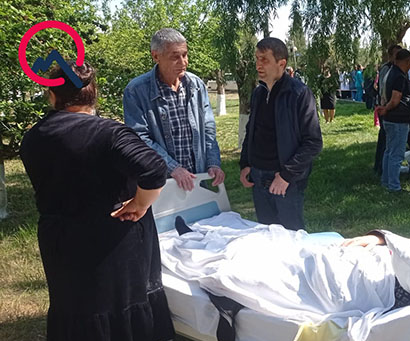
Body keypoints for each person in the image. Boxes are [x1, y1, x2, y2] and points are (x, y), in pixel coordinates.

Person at [20, 62, 175, 341]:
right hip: (109, 238)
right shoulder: (109, 133)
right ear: (93, 94)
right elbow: (154, 170)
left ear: (52, 95)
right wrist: (141, 204)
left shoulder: (33, 138)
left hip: (59, 237)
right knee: (117, 311)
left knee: (70, 307)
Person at [123, 28, 225, 192]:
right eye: (175, 57)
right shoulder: (136, 90)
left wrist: (213, 163)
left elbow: (208, 128)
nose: (183, 62)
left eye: (185, 55)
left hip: (197, 180)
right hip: (160, 184)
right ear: (156, 56)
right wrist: (173, 168)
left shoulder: (196, 85)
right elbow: (140, 138)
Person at [239, 37, 323, 230]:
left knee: (291, 237)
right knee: (267, 234)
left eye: (264, 59)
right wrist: (245, 164)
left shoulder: (299, 94)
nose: (258, 65)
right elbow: (252, 131)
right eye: (257, 59)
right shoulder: (258, 93)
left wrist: (286, 176)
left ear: (281, 63)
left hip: (285, 180)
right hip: (258, 177)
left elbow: (313, 142)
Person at [377, 49, 410, 192]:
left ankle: (386, 180)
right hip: (398, 119)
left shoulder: (390, 72)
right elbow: (395, 99)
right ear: (407, 61)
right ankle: (394, 186)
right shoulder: (399, 76)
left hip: (389, 120)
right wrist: (386, 108)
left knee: (389, 151)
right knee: (396, 154)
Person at [373, 44, 402, 175]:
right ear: (391, 55)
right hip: (386, 107)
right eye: (397, 54)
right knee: (385, 138)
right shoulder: (387, 68)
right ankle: (380, 167)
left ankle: (382, 167)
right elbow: (383, 90)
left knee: (388, 139)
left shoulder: (397, 68)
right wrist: (387, 106)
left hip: (392, 108)